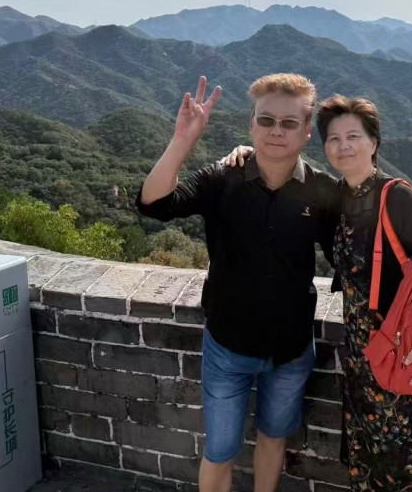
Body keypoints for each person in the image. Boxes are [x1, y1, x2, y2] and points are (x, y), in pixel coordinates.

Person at [226, 94, 412, 490]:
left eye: (353, 136)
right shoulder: (336, 199)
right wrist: (251, 154)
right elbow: (284, 184)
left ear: (374, 143)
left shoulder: (396, 197)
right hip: (361, 358)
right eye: (334, 139)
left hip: (406, 350)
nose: (343, 147)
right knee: (370, 463)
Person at [136, 74, 338, 492]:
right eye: (266, 120)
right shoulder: (222, 178)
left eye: (289, 122)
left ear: (306, 130)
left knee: (274, 439)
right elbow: (154, 204)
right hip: (227, 345)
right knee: (220, 449)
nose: (276, 131)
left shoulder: (321, 192)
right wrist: (183, 140)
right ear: (251, 124)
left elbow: (350, 257)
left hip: (291, 348)